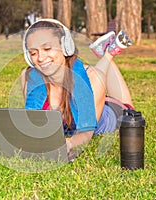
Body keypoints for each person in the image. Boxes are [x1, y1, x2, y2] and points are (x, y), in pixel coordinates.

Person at [20, 18, 134, 154]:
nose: (40, 58)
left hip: (110, 113)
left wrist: (70, 143)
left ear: (65, 46)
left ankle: (109, 53)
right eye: (33, 53)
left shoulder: (92, 78)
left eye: (47, 48)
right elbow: (35, 123)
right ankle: (106, 52)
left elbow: (86, 133)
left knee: (128, 110)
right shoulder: (28, 77)